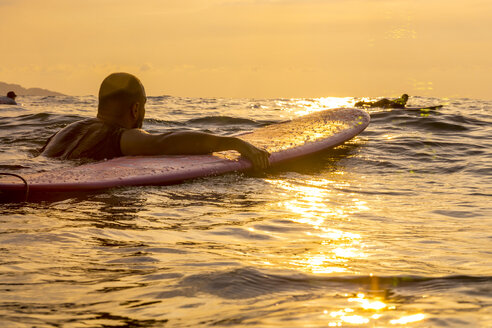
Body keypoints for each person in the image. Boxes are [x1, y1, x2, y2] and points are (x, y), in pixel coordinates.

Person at [40, 72, 270, 170]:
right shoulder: (121, 136)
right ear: (136, 109)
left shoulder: (67, 131)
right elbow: (164, 142)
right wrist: (236, 143)